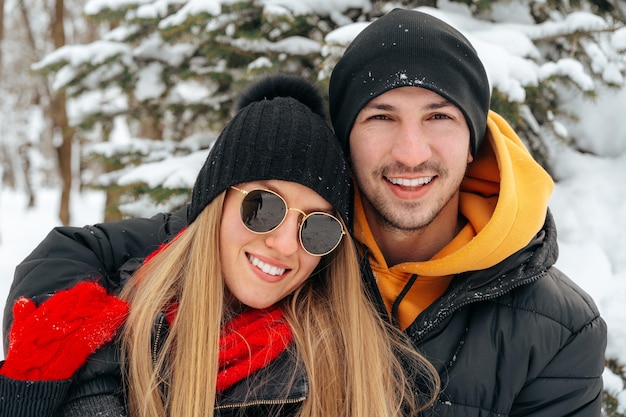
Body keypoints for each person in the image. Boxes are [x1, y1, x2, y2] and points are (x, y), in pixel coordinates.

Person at [4, 7, 607, 417]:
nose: (410, 151)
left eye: (439, 116)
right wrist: (98, 378)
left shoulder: (559, 330)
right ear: (345, 138)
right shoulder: (289, 230)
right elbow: (79, 255)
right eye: (381, 117)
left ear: (474, 137)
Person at [0, 75, 439, 417]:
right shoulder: (122, 325)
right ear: (215, 204)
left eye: (318, 228)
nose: (285, 244)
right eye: (263, 206)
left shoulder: (351, 366)